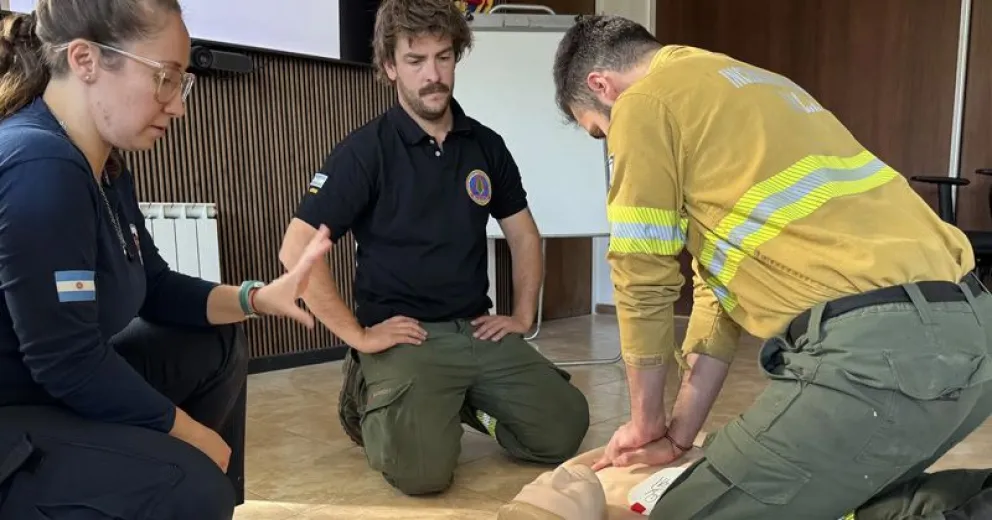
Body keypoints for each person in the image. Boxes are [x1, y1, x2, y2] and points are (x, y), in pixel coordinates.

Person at [551, 14, 992, 520]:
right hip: (973, 333)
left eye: (597, 130)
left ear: (601, 87)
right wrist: (677, 436)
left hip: (882, 360)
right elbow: (719, 295)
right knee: (833, 497)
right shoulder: (758, 84)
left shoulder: (642, 104)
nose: (608, 139)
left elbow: (641, 273)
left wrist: (643, 422)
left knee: (684, 513)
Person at [0, 1, 331, 518]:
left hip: (47, 386)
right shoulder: (40, 164)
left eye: (183, 82)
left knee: (217, 340)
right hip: (14, 412)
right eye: (165, 79)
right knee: (195, 485)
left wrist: (258, 298)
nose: (178, 104)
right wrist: (189, 434)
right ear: (86, 60)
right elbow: (66, 360)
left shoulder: (105, 165)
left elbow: (153, 286)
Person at [279, 0, 590, 496]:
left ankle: (461, 401)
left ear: (456, 56)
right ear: (388, 66)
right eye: (415, 60)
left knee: (562, 429)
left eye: (443, 57)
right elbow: (296, 249)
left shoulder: (486, 145)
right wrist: (358, 336)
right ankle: (366, 391)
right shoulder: (365, 152)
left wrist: (523, 314)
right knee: (422, 475)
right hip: (406, 337)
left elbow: (523, 232)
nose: (432, 76)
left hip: (475, 328)